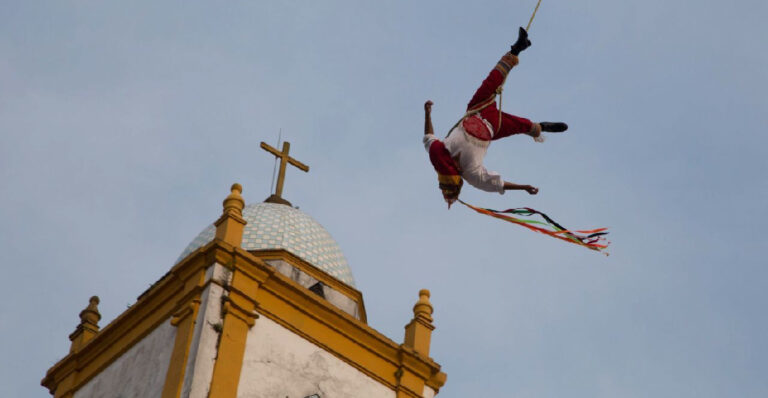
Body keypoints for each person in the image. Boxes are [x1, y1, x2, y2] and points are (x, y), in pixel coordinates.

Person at [423, 27, 568, 207]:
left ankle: (517, 48)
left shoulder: (442, 150)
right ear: (458, 177)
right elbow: (498, 184)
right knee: (520, 125)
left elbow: (428, 137)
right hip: (493, 126)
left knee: (492, 80)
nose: (456, 166)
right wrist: (523, 187)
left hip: (477, 109)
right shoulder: (473, 175)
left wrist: (427, 114)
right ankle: (541, 127)